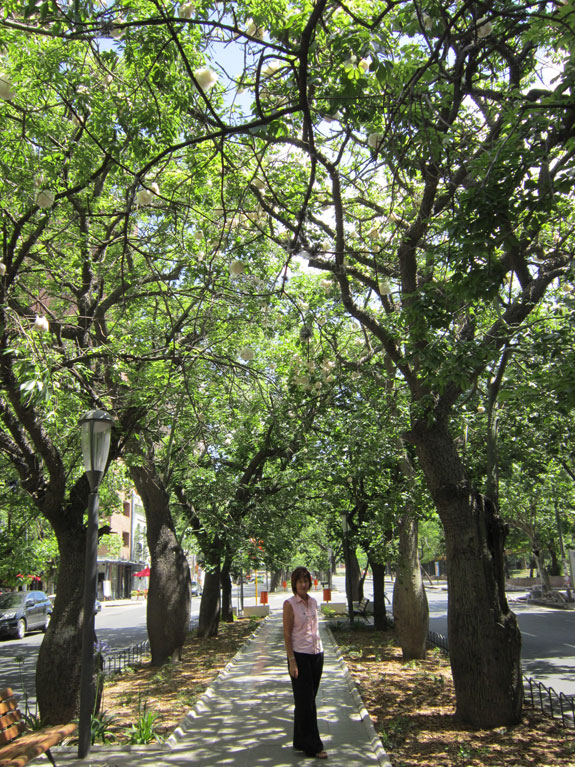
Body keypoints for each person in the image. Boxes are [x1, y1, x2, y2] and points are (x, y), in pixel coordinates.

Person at [283, 566, 327, 759]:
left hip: (317, 654)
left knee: (306, 701)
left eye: (306, 581)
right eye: (300, 581)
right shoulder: (289, 604)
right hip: (299, 656)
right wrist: (291, 660)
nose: (303, 584)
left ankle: (300, 739)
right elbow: (286, 634)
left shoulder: (314, 602)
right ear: (294, 584)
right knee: (307, 702)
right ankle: (314, 746)